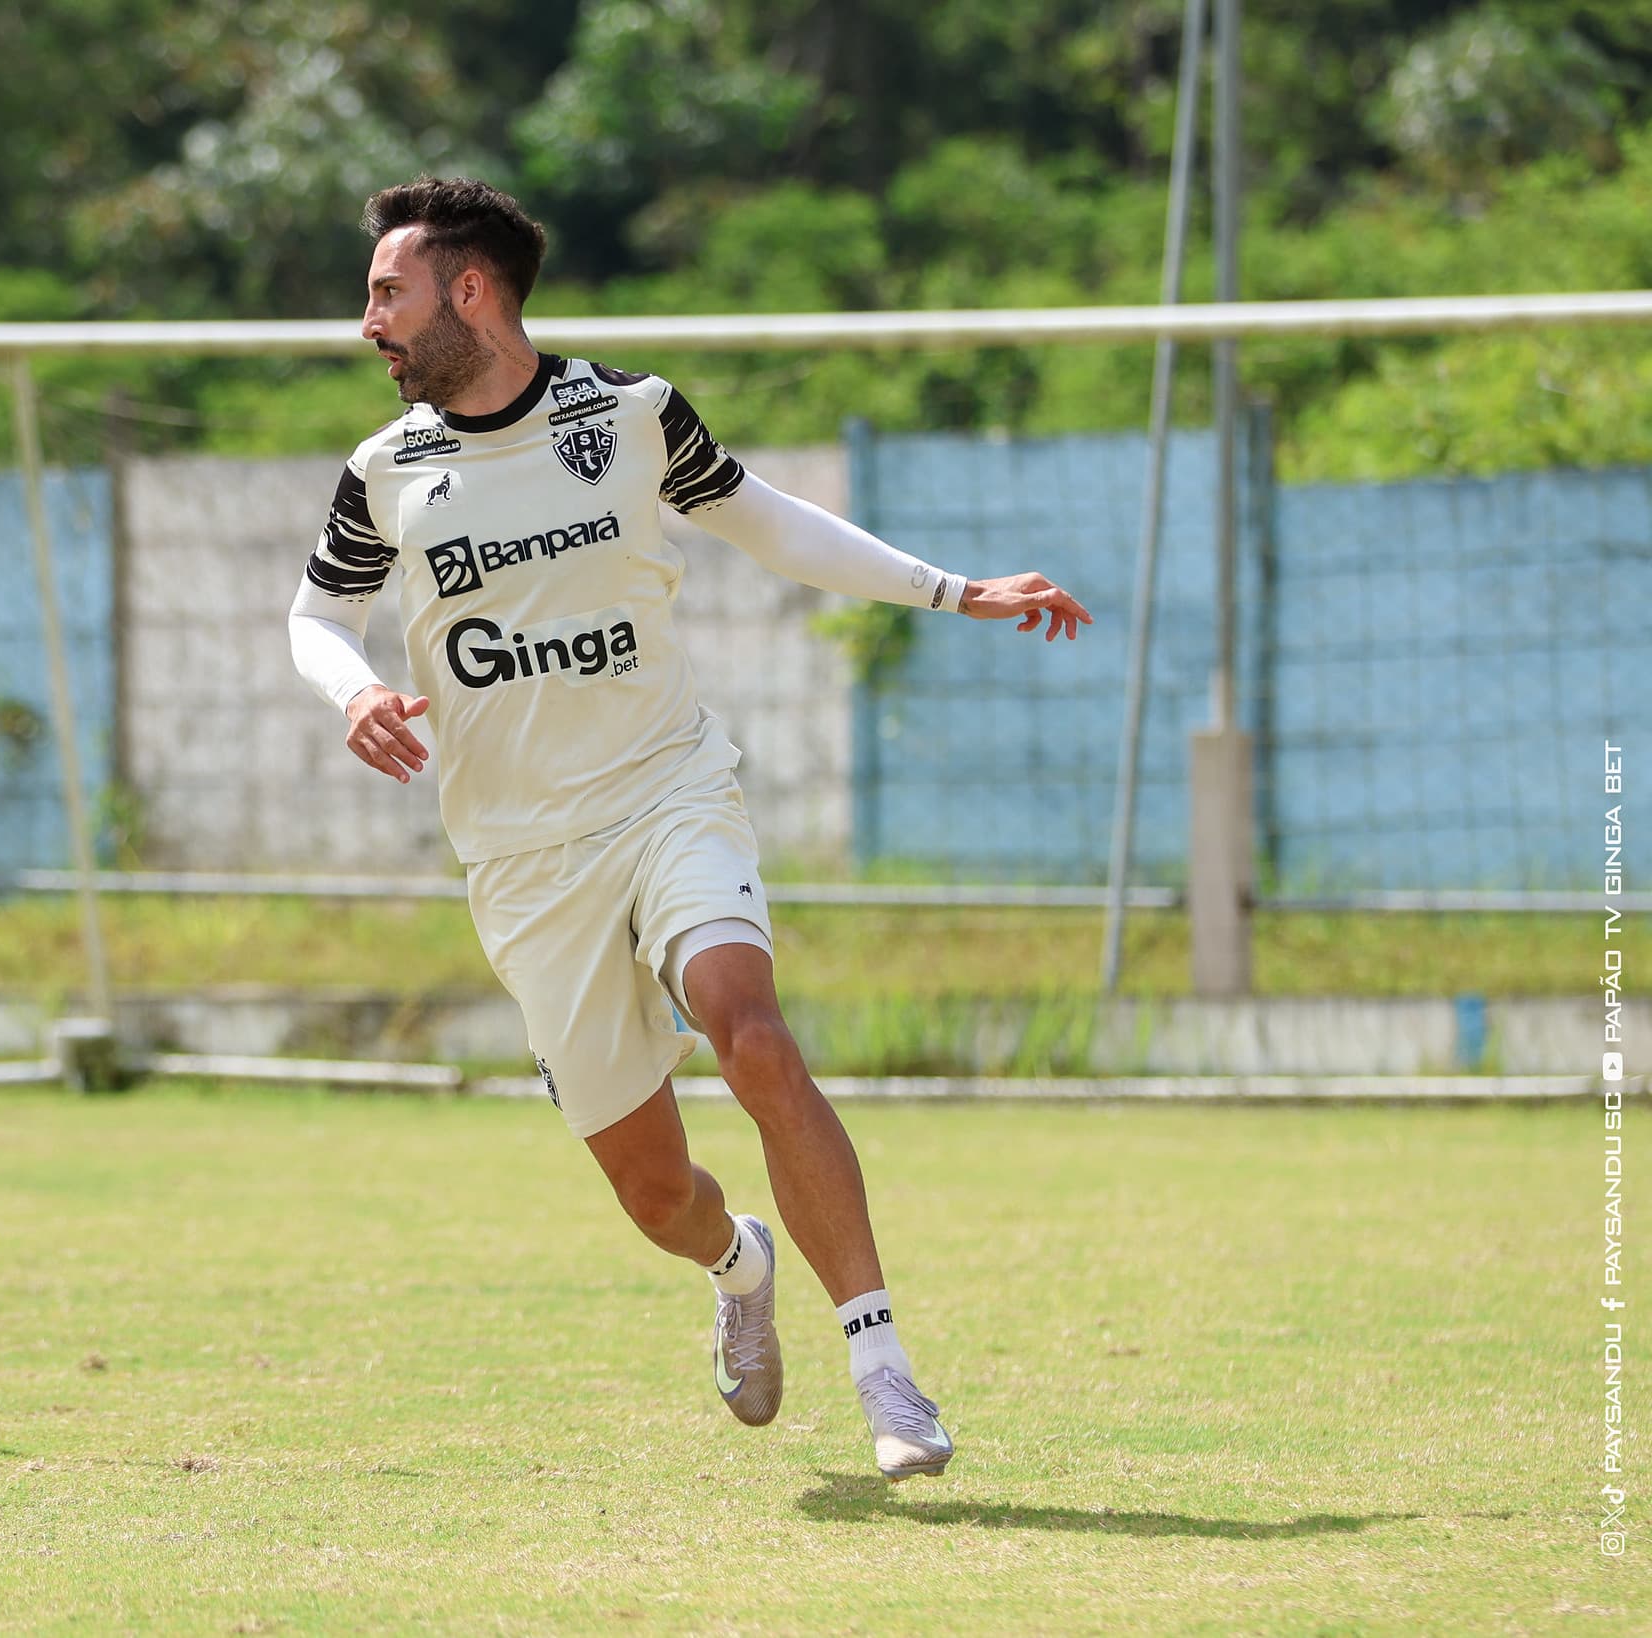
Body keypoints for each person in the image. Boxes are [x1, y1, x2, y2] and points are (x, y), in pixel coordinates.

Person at [289, 177, 1092, 1482]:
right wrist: (358, 687)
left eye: (387, 292)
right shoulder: (385, 471)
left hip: (667, 790)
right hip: (523, 859)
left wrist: (954, 589)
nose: (366, 320)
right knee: (660, 1194)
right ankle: (740, 1263)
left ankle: (884, 1364)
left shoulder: (634, 414)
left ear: (470, 291)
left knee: (753, 1030)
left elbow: (775, 527)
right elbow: (316, 616)